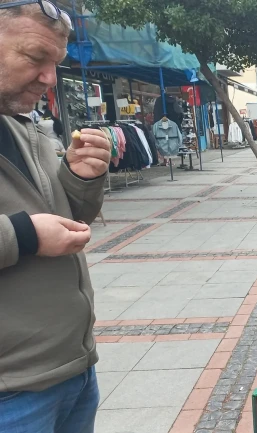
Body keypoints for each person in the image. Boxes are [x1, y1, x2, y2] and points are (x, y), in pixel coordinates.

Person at [0, 1, 111, 432]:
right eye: (34, 57)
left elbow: (67, 218)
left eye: (57, 63)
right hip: (13, 392)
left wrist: (80, 177)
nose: (50, 79)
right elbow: (33, 229)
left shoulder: (20, 122)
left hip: (71, 372)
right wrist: (24, 234)